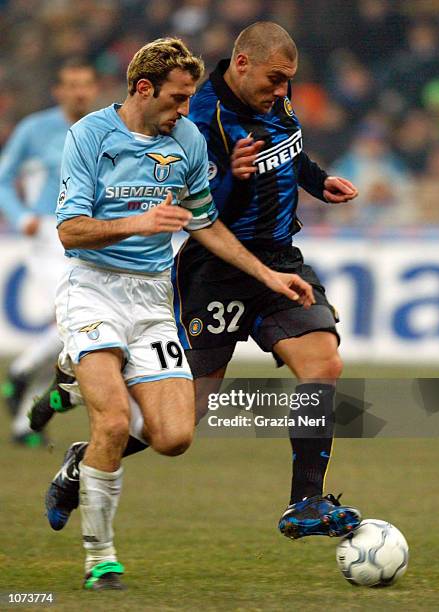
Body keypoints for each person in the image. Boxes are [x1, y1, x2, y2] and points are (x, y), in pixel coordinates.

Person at [31, 23, 361, 549]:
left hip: (276, 259)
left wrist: (317, 180)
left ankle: (306, 502)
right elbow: (201, 216)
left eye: (287, 83)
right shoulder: (198, 116)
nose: (282, 92)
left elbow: (288, 149)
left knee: (323, 364)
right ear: (243, 63)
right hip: (214, 268)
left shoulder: (276, 93)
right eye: (275, 80)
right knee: (188, 413)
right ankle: (83, 458)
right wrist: (233, 178)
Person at [0, 59, 98, 445]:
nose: (78, 91)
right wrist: (20, 215)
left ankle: (24, 419)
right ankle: (22, 372)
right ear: (59, 90)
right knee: (74, 317)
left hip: (89, 235)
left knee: (67, 324)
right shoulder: (35, 129)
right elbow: (4, 178)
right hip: (47, 234)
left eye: (85, 83)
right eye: (71, 84)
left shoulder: (104, 128)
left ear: (93, 88)